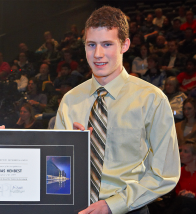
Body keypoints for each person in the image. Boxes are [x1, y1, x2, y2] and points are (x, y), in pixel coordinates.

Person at [54, 6, 180, 214]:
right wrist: (73, 152)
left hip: (129, 208)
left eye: (107, 44)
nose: (98, 54)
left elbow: (164, 174)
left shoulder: (151, 99)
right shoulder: (70, 100)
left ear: (125, 44)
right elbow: (57, 170)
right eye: (91, 44)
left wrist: (113, 205)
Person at [165, 140, 196, 214]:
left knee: (181, 201)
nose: (181, 154)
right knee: (185, 211)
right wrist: (181, 193)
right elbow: (177, 191)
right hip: (185, 205)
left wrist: (194, 195)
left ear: (194, 156)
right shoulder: (180, 171)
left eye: (185, 151)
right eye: (180, 151)